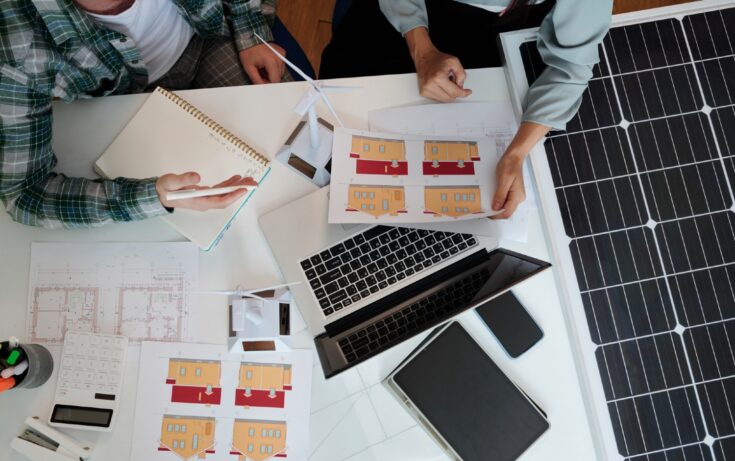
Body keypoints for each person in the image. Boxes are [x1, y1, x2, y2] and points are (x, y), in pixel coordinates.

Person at [0, 0, 288, 229]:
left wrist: (251, 31)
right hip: (118, 100)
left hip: (205, 39)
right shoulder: (13, 39)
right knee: (195, 226)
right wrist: (152, 198)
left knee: (288, 159)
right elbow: (24, 195)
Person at [320, 0, 613, 219]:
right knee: (332, 173)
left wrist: (516, 153)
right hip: (397, 25)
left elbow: (571, 66)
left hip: (493, 45)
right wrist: (421, 49)